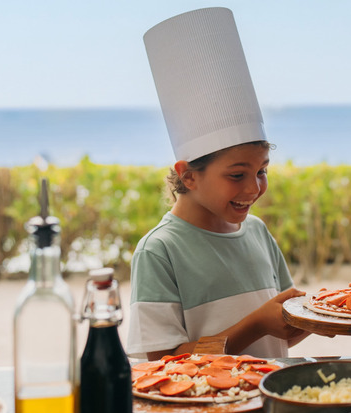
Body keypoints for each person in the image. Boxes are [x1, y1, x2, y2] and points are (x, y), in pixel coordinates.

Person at [126, 7, 308, 361]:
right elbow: (163, 361)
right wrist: (255, 324)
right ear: (188, 175)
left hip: (270, 399)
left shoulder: (257, 232)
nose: (254, 188)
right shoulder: (159, 251)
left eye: (262, 171)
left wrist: (320, 316)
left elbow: (280, 333)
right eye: (237, 174)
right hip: (207, 411)